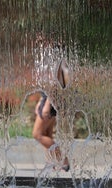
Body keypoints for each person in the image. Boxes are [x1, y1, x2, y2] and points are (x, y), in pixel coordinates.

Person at [32, 36, 70, 171]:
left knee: (37, 134)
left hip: (52, 98)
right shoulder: (45, 55)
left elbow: (55, 82)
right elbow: (44, 82)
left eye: (42, 37)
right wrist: (40, 101)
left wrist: (47, 103)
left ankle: (63, 160)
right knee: (47, 134)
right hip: (47, 96)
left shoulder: (53, 57)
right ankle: (54, 162)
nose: (38, 37)